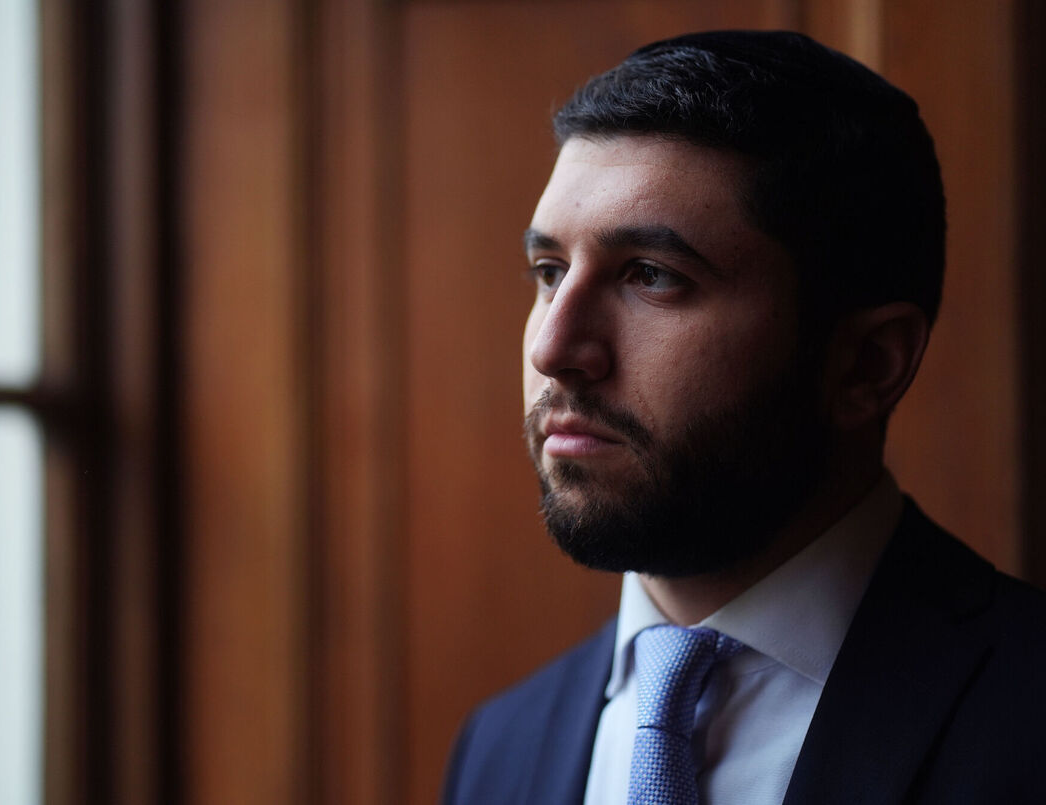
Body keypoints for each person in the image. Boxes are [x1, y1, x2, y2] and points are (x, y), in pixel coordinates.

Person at [440, 30, 1046, 805]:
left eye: (651, 276)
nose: (554, 348)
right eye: (550, 271)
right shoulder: (497, 749)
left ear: (867, 363)